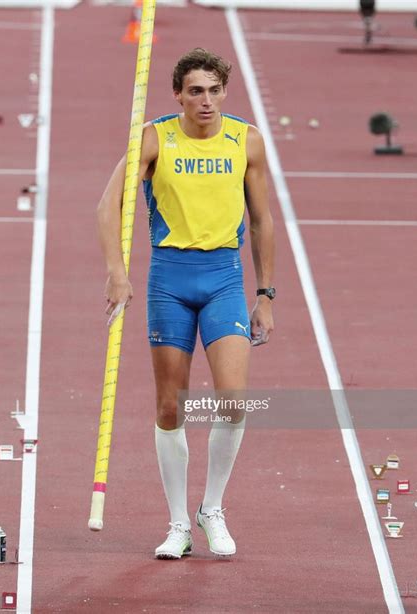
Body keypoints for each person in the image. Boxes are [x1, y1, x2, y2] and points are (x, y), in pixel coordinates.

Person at [97, 48, 275, 559]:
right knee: (170, 406)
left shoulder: (247, 141)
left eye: (215, 90)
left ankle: (210, 508)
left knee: (234, 402)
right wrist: (117, 274)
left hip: (224, 278)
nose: (207, 101)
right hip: (168, 279)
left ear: (225, 92)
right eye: (195, 91)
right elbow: (107, 209)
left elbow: (262, 221)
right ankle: (178, 523)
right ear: (178, 94)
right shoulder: (153, 138)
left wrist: (265, 295)